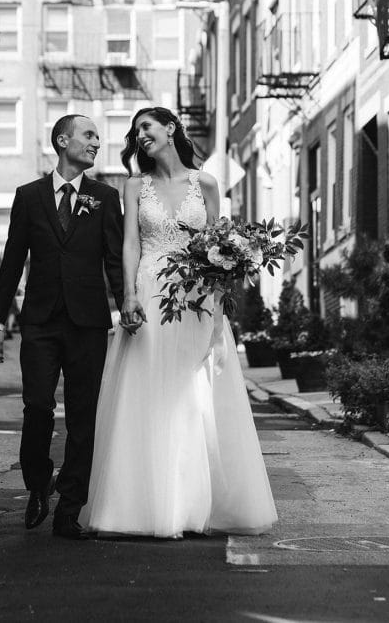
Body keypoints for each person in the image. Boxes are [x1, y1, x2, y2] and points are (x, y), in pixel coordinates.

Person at [84, 106, 277, 538]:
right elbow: (131, 243)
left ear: (171, 128)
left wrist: (221, 293)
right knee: (149, 392)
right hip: (152, 293)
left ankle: (193, 503)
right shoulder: (134, 186)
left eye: (147, 126)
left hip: (196, 298)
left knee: (195, 397)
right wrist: (129, 296)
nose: (141, 135)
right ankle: (143, 505)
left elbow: (222, 243)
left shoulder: (205, 183)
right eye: (136, 131)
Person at [0, 115, 125, 540]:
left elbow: (114, 261)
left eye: (98, 137)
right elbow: (12, 261)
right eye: (88, 135)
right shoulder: (28, 197)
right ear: (61, 141)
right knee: (38, 408)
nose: (97, 143)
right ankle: (38, 482)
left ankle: (69, 508)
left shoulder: (105, 197)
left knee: (83, 416)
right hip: (41, 322)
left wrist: (129, 307)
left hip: (87, 322)